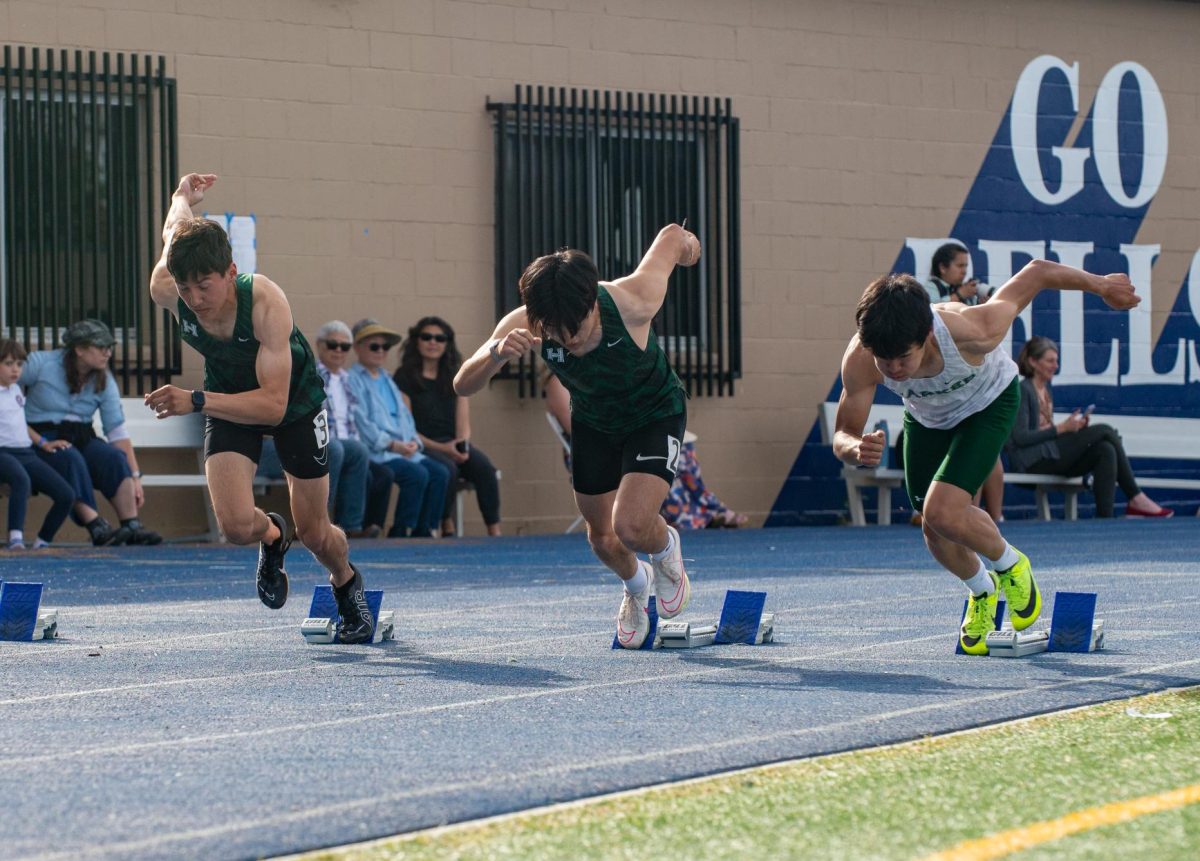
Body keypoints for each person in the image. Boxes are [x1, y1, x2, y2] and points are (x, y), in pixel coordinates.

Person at [833, 259, 1139, 654]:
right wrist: (855, 448)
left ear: (926, 334)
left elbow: (1036, 273)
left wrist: (1101, 285)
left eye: (903, 359)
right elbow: (843, 433)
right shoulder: (861, 355)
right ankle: (982, 591)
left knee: (942, 511)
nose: (894, 370)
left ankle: (1011, 564)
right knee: (934, 528)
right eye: (884, 361)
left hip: (989, 404)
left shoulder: (971, 329)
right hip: (928, 418)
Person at [142, 172, 374, 643]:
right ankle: (271, 534)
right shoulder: (168, 287)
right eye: (185, 289)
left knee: (314, 533)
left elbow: (272, 406)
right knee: (233, 526)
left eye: (204, 286)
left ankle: (346, 583)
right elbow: (174, 229)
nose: (195, 300)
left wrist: (196, 400)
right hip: (228, 397)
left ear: (230, 271)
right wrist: (181, 197)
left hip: (293, 403)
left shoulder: (265, 301)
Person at [455, 223, 701, 649]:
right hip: (594, 421)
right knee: (602, 537)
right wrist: (495, 354)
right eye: (554, 332)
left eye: (576, 328)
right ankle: (636, 587)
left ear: (591, 302)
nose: (567, 340)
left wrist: (691, 248)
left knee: (632, 525)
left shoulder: (634, 299)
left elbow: (671, 238)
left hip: (654, 413)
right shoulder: (527, 322)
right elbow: (463, 384)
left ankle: (665, 552)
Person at [20, 319, 162, 545]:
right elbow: (6, 382)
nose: (107, 353)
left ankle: (131, 524)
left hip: (82, 435)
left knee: (113, 457)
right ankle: (96, 526)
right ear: (79, 349)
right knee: (70, 457)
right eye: (100, 347)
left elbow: (116, 431)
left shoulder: (104, 379)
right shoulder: (41, 363)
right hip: (40, 437)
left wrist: (135, 476)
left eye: (109, 347)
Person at [545, 374, 743, 530]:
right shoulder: (557, 382)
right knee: (659, 451)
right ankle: (687, 514)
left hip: (618, 437)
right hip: (591, 450)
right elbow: (577, 428)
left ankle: (703, 510)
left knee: (678, 447)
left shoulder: (592, 372)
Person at [1008, 335, 1172, 519]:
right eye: (1050, 361)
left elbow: (1046, 432)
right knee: (1105, 431)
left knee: (1105, 450)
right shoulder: (1024, 390)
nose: (1055, 365)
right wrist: (1062, 429)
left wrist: (1073, 427)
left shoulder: (1045, 390)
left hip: (1050, 454)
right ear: (1033, 362)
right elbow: (1020, 437)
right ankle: (1136, 497)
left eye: (1057, 360)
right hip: (1032, 462)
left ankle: (1105, 519)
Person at [394, 317, 502, 537]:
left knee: (485, 469)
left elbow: (463, 420)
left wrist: (461, 446)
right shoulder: (404, 377)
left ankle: (494, 530)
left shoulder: (456, 375)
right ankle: (446, 524)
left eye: (439, 338)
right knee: (448, 470)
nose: (433, 342)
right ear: (416, 341)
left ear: (447, 343)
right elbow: (406, 426)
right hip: (423, 444)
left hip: (453, 443)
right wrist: (444, 449)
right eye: (426, 337)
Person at [349, 318, 449, 538]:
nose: (381, 351)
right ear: (357, 347)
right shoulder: (352, 380)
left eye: (385, 346)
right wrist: (393, 445)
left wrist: (415, 442)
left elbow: (405, 417)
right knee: (417, 474)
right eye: (374, 346)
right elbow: (361, 422)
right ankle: (400, 531)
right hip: (380, 452)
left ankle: (423, 531)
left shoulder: (388, 379)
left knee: (440, 473)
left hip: (404, 450)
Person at [313, 320, 392, 538]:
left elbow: (357, 421)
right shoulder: (311, 375)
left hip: (345, 445)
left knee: (359, 451)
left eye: (344, 346)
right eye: (332, 345)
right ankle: (321, 523)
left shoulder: (349, 380)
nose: (338, 350)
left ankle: (351, 526)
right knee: (335, 449)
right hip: (316, 442)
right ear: (319, 345)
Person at [0, 339, 76, 549]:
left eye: (19, 364)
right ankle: (15, 538)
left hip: (26, 452)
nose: (15, 369)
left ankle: (42, 542)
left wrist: (44, 443)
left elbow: (20, 423)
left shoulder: (16, 390)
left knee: (65, 494)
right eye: (8, 364)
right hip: (3, 453)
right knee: (21, 480)